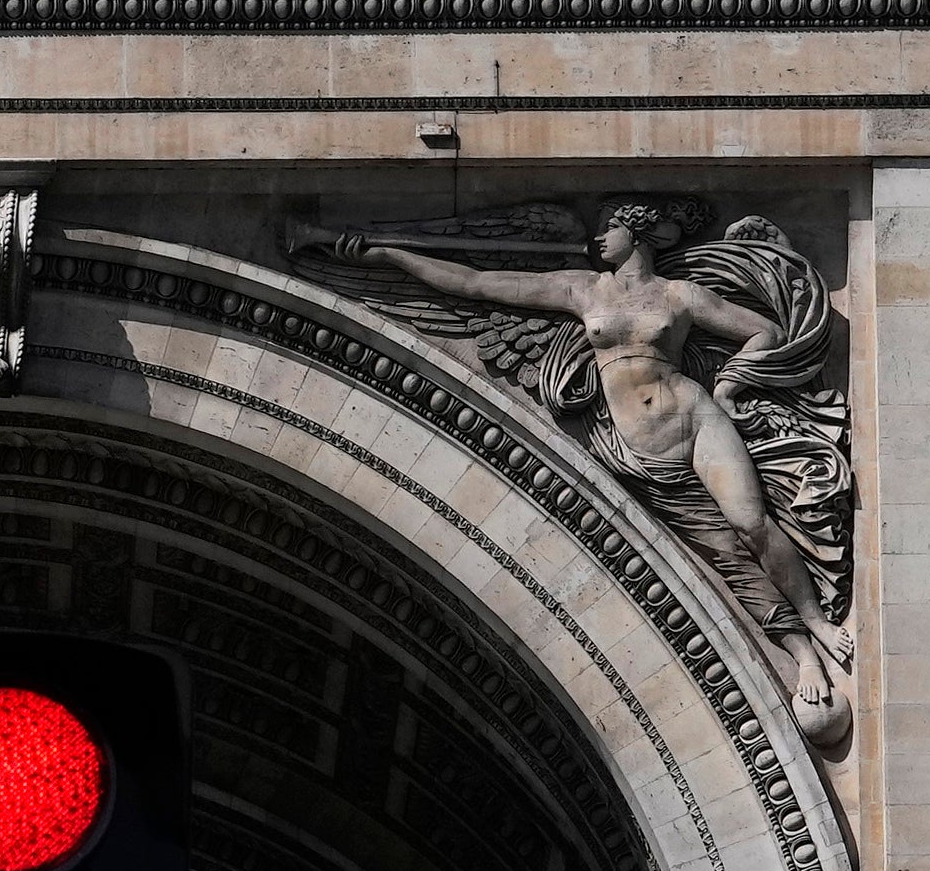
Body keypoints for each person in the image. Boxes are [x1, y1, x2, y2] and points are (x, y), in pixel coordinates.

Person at [304, 203, 831, 624]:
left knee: (752, 523)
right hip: (635, 443)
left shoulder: (681, 294)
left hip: (695, 416)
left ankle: (819, 624)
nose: (599, 237)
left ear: (638, 231)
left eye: (609, 226)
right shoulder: (582, 287)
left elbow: (766, 332)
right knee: (729, 539)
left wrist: (730, 388)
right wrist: (393, 256)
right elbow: (473, 283)